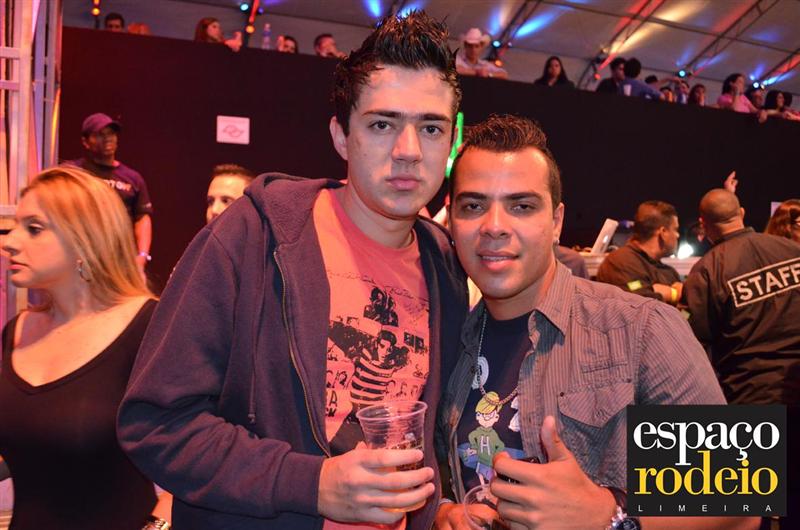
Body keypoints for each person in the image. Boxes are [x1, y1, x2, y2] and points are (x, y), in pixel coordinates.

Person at [118, 11, 468, 530]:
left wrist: (441, 511)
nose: (408, 151)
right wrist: (310, 483)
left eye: (431, 128)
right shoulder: (254, 237)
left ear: (451, 141)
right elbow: (157, 422)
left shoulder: (447, 268)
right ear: (341, 136)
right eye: (382, 124)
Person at [434, 114, 755, 530]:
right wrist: (445, 512)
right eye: (474, 206)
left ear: (556, 222)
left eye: (522, 206)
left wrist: (609, 516)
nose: (494, 227)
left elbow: (742, 505)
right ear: (451, 219)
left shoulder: (639, 328)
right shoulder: (448, 341)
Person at [0, 167, 171, 530]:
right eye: (14, 226)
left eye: (34, 228)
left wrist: (157, 527)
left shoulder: (146, 325)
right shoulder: (16, 331)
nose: (9, 242)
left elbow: (201, 457)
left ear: (84, 239)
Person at [684, 188, 800, 405]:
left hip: (750, 394)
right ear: (742, 213)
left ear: (703, 224)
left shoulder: (707, 271)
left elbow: (693, 342)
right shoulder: (792, 250)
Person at [66, 112, 153, 276]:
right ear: (85, 141)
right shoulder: (73, 173)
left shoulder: (133, 178)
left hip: (121, 262)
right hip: (83, 258)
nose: (107, 138)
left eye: (111, 133)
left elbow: (142, 217)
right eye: (100, 134)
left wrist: (142, 256)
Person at [596, 201, 683, 306]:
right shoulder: (620, 262)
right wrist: (673, 294)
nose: (677, 235)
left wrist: (661, 293)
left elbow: (685, 309)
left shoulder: (668, 271)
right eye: (675, 229)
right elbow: (638, 305)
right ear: (663, 232)